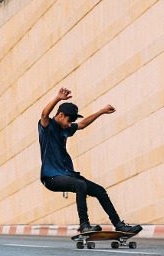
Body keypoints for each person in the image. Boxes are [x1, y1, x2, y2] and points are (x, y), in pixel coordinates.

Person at [38, 87, 142, 234]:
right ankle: (84, 225)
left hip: (67, 174)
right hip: (51, 177)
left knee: (100, 191)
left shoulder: (65, 128)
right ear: (60, 115)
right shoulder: (47, 126)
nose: (70, 124)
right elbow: (44, 114)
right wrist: (58, 98)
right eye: (69, 120)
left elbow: (82, 124)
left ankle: (119, 225)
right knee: (80, 185)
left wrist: (101, 111)